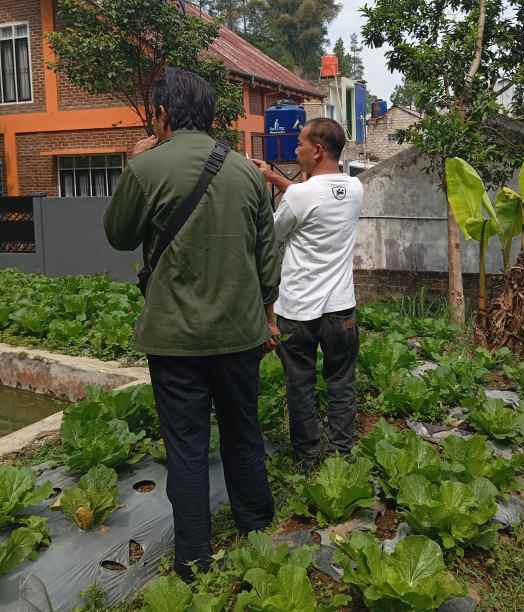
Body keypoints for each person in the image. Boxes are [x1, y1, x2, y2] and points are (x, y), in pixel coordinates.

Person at [104, 67, 279, 581]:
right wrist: (267, 317)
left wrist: (130, 165)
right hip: (241, 334)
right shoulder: (248, 172)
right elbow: (267, 258)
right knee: (243, 433)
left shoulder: (146, 168)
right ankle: (257, 529)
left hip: (175, 340)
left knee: (185, 448)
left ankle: (194, 560)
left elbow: (118, 235)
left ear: (161, 113)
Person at [255, 118, 363, 470]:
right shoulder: (355, 189)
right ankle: (341, 458)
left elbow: (274, 232)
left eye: (300, 143)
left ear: (316, 150)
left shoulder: (300, 195)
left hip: (298, 310)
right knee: (341, 383)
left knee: (300, 385)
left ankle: (307, 460)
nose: (295, 149)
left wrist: (273, 186)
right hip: (341, 310)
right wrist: (279, 180)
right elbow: (315, 199)